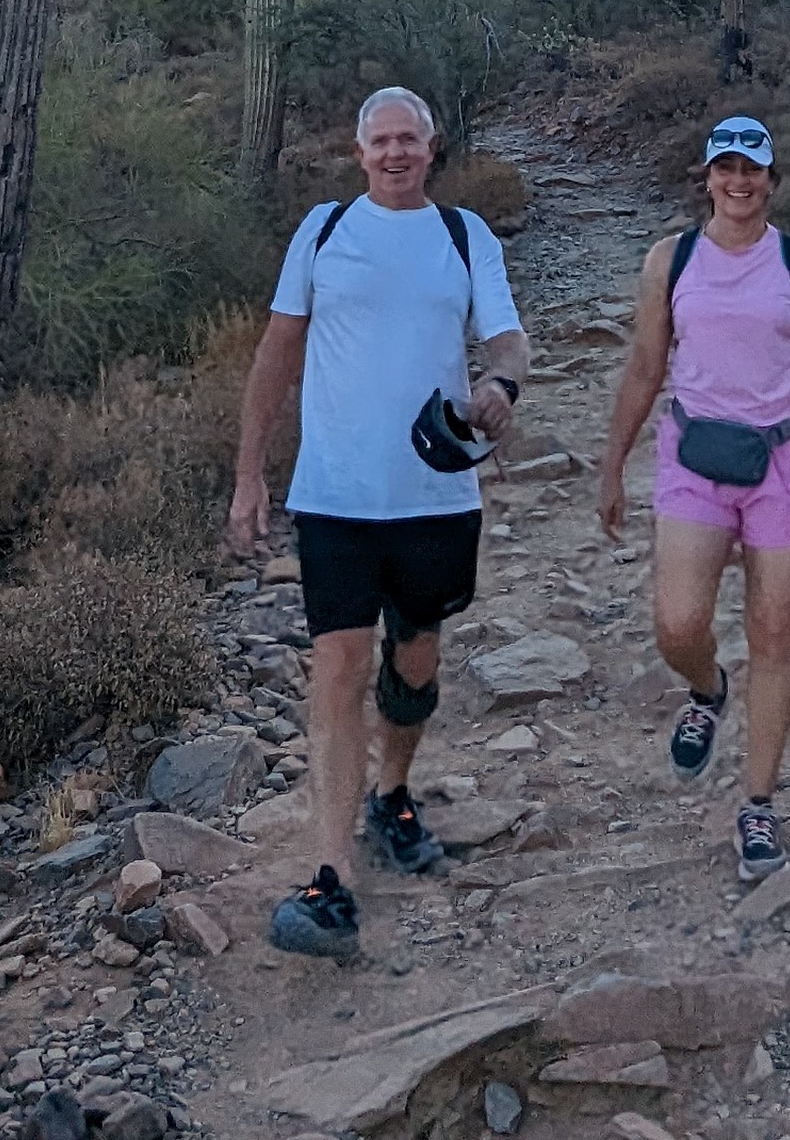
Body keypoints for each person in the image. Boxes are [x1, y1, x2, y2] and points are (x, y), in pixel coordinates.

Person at [227, 87, 530, 959]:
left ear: (432, 148)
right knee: (338, 665)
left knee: (416, 658)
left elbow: (507, 340)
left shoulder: (466, 237)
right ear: (359, 152)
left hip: (436, 493)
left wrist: (500, 388)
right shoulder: (323, 234)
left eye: (410, 139)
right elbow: (277, 351)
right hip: (335, 495)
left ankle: (391, 789)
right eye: (380, 141)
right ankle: (330, 877)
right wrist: (250, 472)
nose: (395, 153)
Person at [599, 115, 790, 882]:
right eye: (726, 168)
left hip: (785, 457)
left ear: (771, 179)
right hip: (695, 455)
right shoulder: (670, 260)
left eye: (754, 169)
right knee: (678, 622)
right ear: (707, 176)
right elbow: (645, 365)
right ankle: (707, 687)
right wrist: (611, 464)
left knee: (776, 630)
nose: (739, 182)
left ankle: (758, 805)